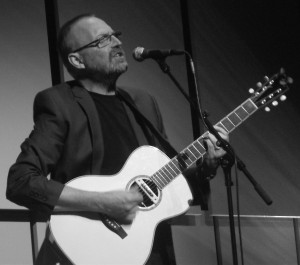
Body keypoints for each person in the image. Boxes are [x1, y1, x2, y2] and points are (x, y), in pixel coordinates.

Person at [6, 14, 228, 265]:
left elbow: (166, 181)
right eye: (102, 40)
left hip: (150, 249)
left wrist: (206, 167)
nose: (116, 43)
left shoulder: (143, 102)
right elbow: (21, 182)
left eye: (115, 36)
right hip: (87, 250)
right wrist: (103, 202)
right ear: (77, 59)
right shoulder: (59, 103)